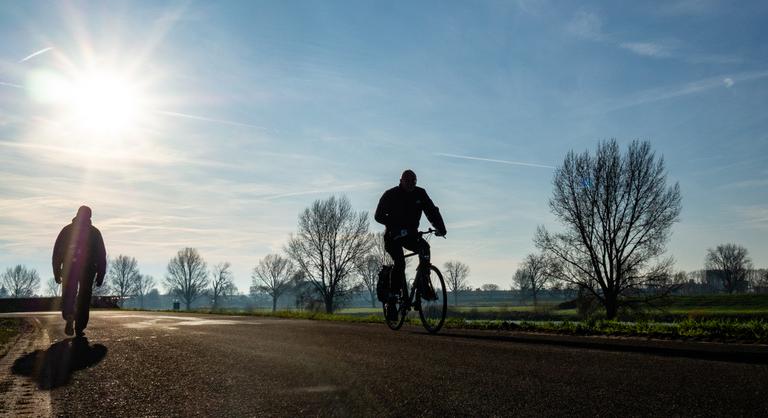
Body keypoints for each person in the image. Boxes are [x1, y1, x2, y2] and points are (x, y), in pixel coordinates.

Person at [375, 170, 446, 317]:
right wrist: (394, 226)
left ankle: (424, 284)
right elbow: (378, 216)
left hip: (411, 235)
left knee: (425, 248)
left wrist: (441, 228)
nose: (411, 184)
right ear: (401, 180)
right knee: (400, 263)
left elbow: (431, 211)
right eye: (407, 181)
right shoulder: (390, 194)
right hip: (392, 236)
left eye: (413, 181)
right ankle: (392, 300)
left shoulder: (420, 193)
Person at [52, 206, 107, 338]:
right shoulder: (95, 232)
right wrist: (101, 274)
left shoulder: (66, 230)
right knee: (84, 296)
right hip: (88, 269)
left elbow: (57, 252)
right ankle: (80, 326)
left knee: (69, 293)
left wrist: (56, 271)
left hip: (69, 267)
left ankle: (69, 315)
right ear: (90, 217)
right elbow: (101, 255)